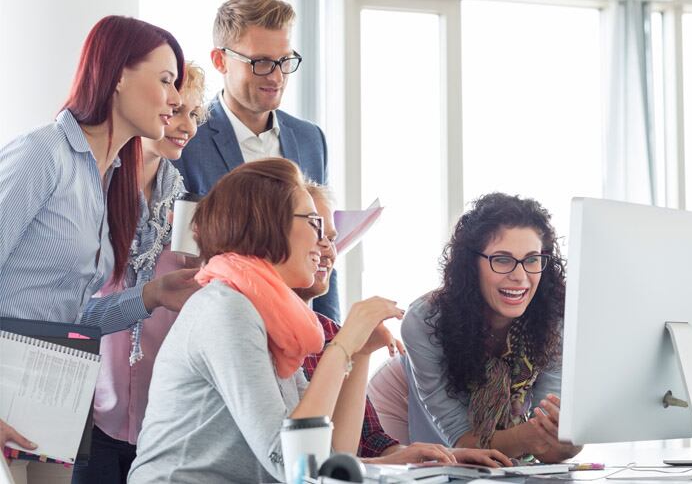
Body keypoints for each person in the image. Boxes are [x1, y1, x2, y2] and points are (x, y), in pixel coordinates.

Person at [128, 158, 402, 483]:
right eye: (314, 223)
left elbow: (325, 459)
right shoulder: (225, 307)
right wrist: (341, 347)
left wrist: (358, 355)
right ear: (268, 223)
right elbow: (292, 465)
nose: (324, 243)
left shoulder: (273, 313)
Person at [0, 15, 187, 484]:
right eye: (165, 80)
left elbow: (76, 318)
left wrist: (155, 294)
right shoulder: (44, 154)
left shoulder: (108, 180)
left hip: (54, 379)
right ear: (119, 73)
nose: (176, 99)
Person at [295, 184, 514, 468]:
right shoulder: (262, 331)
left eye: (332, 238)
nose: (327, 248)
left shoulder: (331, 332)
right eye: (316, 233)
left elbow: (370, 441)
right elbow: (309, 464)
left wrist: (433, 457)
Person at [72, 62, 208, 484]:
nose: (186, 125)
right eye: (178, 110)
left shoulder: (190, 211)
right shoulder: (92, 193)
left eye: (195, 115)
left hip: (162, 416)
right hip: (87, 411)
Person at [173, 0, 339, 322]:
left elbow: (325, 254)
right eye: (261, 62)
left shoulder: (311, 141)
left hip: (301, 337)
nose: (276, 76)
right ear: (220, 60)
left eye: (285, 61)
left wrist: (334, 340)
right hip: (223, 328)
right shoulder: (187, 140)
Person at [401, 193, 583, 463]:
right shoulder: (424, 321)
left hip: (502, 440)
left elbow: (549, 438)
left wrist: (568, 439)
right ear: (471, 265)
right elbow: (461, 440)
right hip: (408, 404)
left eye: (532, 259)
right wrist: (531, 436)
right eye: (502, 259)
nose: (520, 276)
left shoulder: (556, 317)